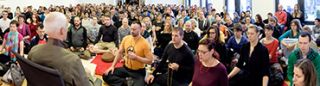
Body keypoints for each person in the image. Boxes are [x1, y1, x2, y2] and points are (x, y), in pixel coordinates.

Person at [27, 12, 90, 86]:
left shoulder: (34, 50)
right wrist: (89, 76)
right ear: (62, 31)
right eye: (67, 27)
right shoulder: (72, 60)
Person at [103, 21, 153, 86]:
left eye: (134, 29)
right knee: (106, 75)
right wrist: (112, 66)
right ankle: (126, 82)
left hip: (138, 72)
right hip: (126, 69)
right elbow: (119, 52)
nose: (132, 31)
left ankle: (128, 82)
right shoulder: (126, 38)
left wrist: (136, 58)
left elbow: (150, 61)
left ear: (140, 29)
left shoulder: (145, 43)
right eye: (131, 29)